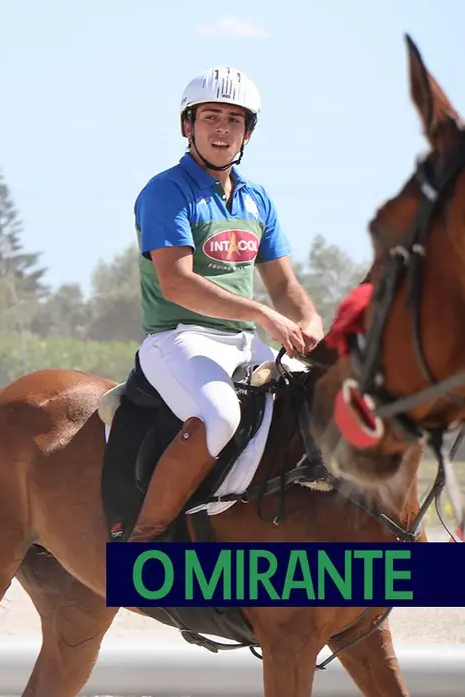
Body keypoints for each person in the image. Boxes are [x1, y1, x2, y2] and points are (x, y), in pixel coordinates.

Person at [127, 67, 324, 542]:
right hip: (177, 339)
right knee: (220, 417)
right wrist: (262, 314)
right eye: (209, 117)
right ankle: (145, 539)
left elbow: (283, 284)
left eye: (234, 120)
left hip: (240, 341)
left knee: (319, 404)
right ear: (187, 126)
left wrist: (310, 319)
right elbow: (176, 283)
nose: (221, 128)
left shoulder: (258, 199)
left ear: (247, 133)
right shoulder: (166, 191)